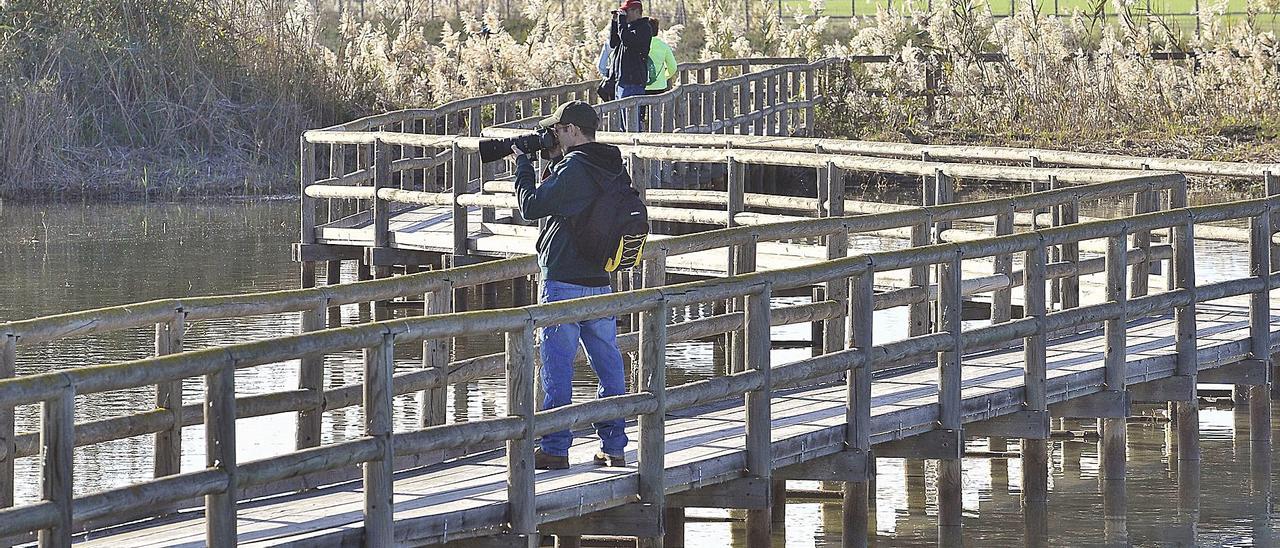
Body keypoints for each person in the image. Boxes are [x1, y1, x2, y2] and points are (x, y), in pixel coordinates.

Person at [511, 100, 630, 470]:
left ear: (575, 130)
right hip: (599, 279)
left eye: (559, 129)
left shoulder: (575, 168)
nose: (555, 135)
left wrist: (522, 166)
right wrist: (552, 161)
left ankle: (556, 448)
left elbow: (531, 205)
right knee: (608, 363)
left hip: (564, 280)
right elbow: (568, 204)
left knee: (557, 366)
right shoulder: (608, 164)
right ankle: (613, 445)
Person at [610, 0, 652, 100]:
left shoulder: (644, 28)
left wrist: (622, 21)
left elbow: (627, 40)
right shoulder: (627, 28)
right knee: (621, 115)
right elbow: (613, 43)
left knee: (632, 115)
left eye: (626, 12)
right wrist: (615, 22)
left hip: (634, 82)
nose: (625, 15)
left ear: (637, 11)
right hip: (621, 81)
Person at [645, 19, 677, 96]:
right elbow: (673, 67)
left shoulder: (638, 45)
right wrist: (665, 77)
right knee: (658, 108)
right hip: (659, 86)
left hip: (642, 86)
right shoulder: (663, 46)